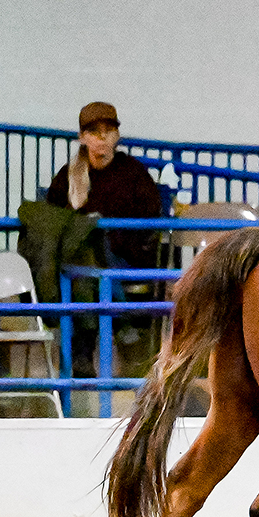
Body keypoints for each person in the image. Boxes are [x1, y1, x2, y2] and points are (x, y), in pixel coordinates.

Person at [44, 102, 163, 377]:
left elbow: (150, 220)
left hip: (125, 257)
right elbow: (53, 222)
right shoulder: (69, 177)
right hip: (83, 263)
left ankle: (82, 357)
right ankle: (125, 334)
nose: (101, 139)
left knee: (89, 268)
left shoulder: (133, 174)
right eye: (94, 132)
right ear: (82, 137)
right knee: (87, 265)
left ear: (117, 137)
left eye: (108, 131)